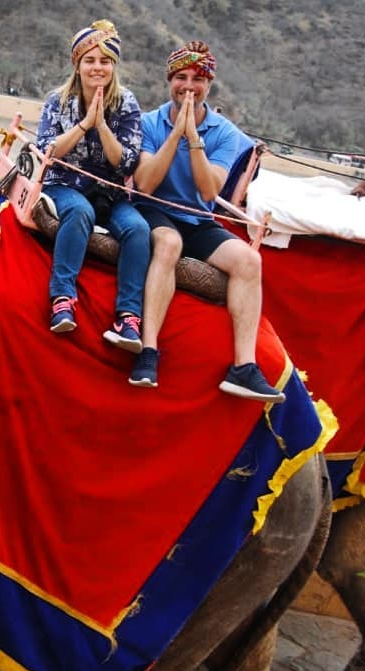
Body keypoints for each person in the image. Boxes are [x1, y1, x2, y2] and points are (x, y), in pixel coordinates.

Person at [131, 41, 285, 402]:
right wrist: (174, 134)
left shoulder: (225, 134)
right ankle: (148, 351)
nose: (189, 86)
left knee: (250, 260)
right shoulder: (148, 123)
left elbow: (208, 190)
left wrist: (194, 138)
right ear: (169, 81)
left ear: (209, 85)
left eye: (198, 79)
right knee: (169, 243)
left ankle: (243, 367)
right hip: (154, 208)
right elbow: (146, 182)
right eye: (181, 77)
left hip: (196, 216)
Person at [36, 20, 150, 351]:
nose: (97, 67)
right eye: (90, 60)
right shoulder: (57, 101)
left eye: (105, 61)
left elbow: (127, 163)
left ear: (113, 66)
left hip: (110, 191)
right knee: (80, 211)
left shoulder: (126, 103)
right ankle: (62, 298)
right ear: (78, 63)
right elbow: (48, 152)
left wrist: (102, 126)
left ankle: (128, 316)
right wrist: (85, 124)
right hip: (64, 182)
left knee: (138, 229)